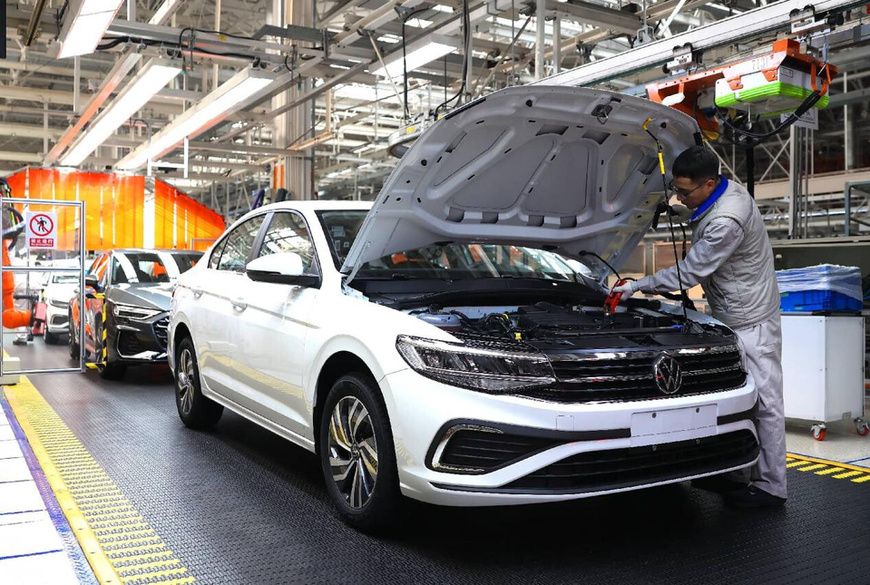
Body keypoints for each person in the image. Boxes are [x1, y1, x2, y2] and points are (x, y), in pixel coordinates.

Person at [613, 145, 786, 508]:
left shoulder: (728, 221)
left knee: (766, 403)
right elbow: (704, 214)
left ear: (709, 183)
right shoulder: (722, 194)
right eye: (676, 189)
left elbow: (688, 272)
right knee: (736, 399)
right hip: (729, 315)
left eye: (685, 191)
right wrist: (680, 209)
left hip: (751, 319)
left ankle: (771, 487)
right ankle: (735, 475)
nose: (680, 196)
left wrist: (636, 285)